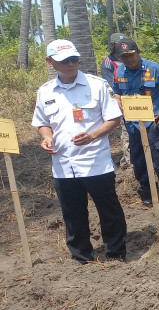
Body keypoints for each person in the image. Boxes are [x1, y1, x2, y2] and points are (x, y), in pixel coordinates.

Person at [32, 39, 127, 263]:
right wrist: (46, 137)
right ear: (50, 62)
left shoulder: (97, 85)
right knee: (73, 213)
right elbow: (42, 122)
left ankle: (116, 253)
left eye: (74, 59)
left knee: (108, 209)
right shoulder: (45, 92)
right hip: (63, 165)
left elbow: (114, 118)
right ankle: (82, 256)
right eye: (64, 60)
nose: (71, 64)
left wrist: (92, 135)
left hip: (96, 162)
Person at [112, 37, 159, 208]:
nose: (128, 59)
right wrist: (118, 100)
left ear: (138, 52)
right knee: (138, 160)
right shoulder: (119, 72)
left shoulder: (156, 68)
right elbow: (116, 91)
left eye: (130, 55)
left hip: (155, 121)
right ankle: (147, 190)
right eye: (123, 57)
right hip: (132, 123)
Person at [101, 32, 131, 169]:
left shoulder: (130, 58)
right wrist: (118, 102)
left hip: (138, 102)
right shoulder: (109, 63)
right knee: (127, 134)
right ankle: (129, 164)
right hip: (122, 102)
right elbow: (110, 86)